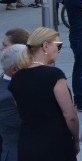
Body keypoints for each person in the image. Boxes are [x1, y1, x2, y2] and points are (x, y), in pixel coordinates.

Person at [9, 28, 78, 160]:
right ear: (45, 46)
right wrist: (75, 140)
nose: (58, 51)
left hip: (27, 144)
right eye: (58, 46)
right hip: (56, 144)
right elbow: (71, 116)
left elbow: (20, 108)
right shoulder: (54, 75)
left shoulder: (16, 78)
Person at [0, 44, 24, 161]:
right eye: (29, 62)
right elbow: (29, 122)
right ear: (14, 69)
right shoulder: (6, 96)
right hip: (17, 155)